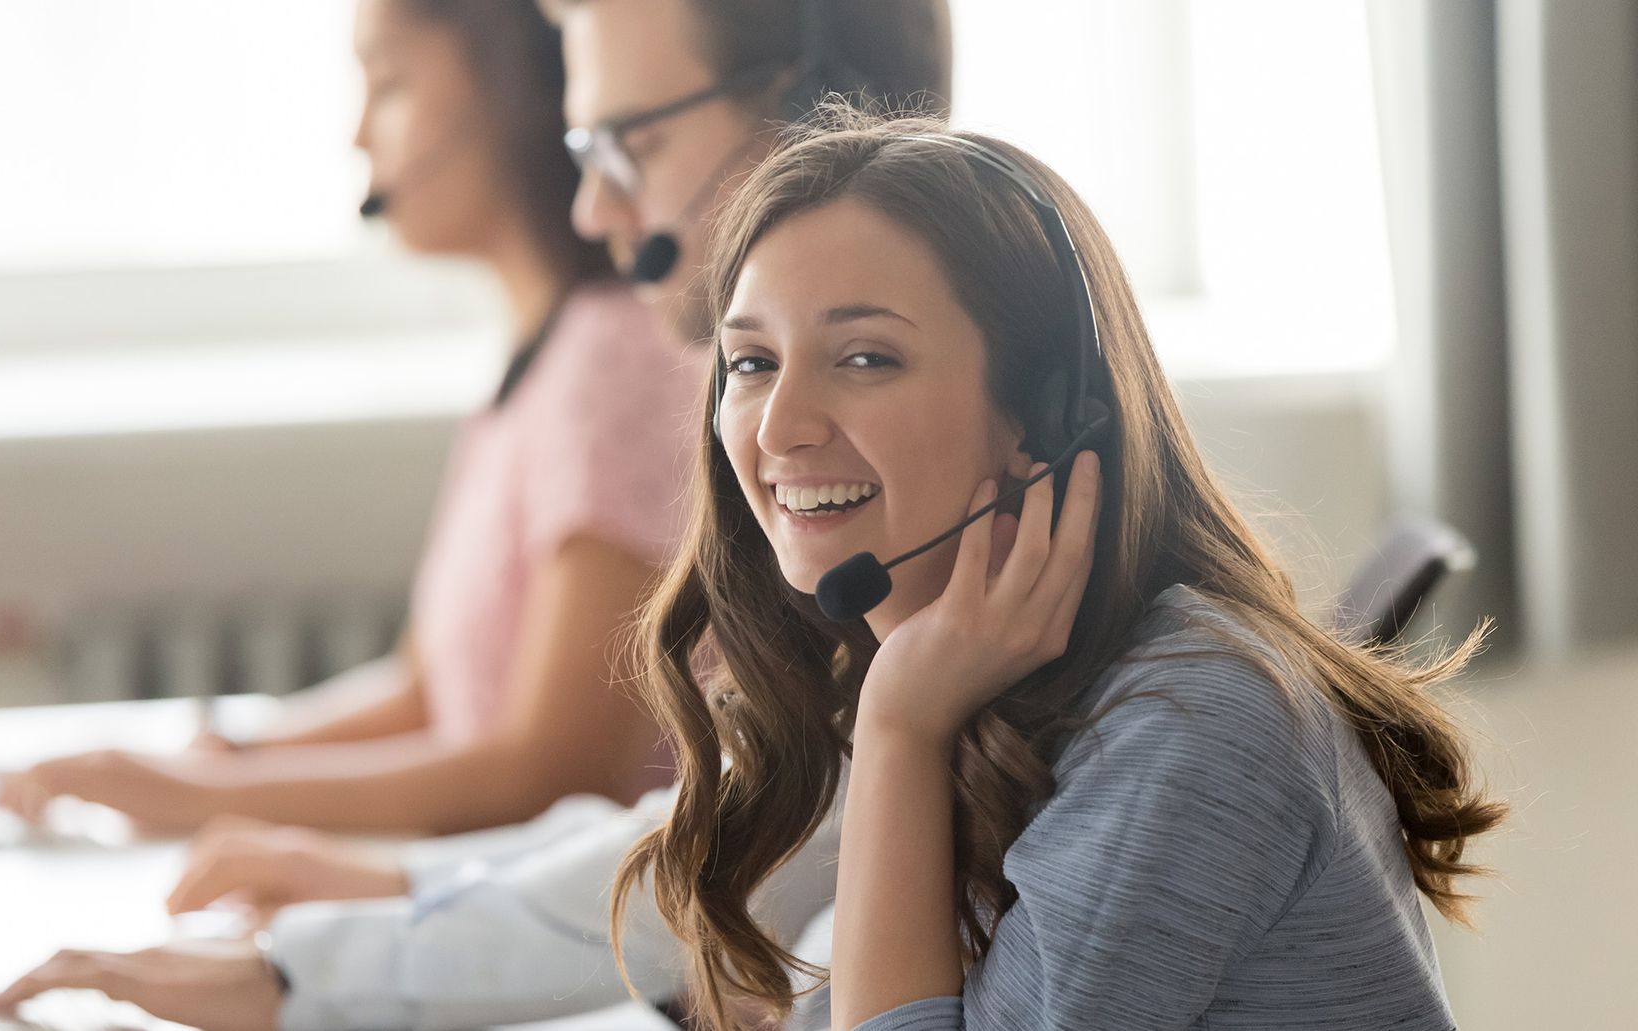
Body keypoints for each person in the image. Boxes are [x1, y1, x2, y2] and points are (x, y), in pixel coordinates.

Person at [0, 1, 953, 1027]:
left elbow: (594, 789)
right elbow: (724, 832)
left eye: (638, 141)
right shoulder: (816, 513)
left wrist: (319, 928)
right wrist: (327, 882)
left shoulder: (751, 439)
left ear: (819, 129)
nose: (594, 208)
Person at [614, 111, 1508, 1031]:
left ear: (1045, 413)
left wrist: (899, 726)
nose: (777, 426)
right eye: (752, 362)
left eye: (866, 357)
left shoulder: (1191, 720)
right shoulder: (973, 675)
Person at [0, 0, 701, 840]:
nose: (360, 136)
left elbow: (551, 771)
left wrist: (201, 801)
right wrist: (223, 760)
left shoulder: (612, 359)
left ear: (515, 94)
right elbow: (428, 691)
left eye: (392, 83)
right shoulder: (540, 364)